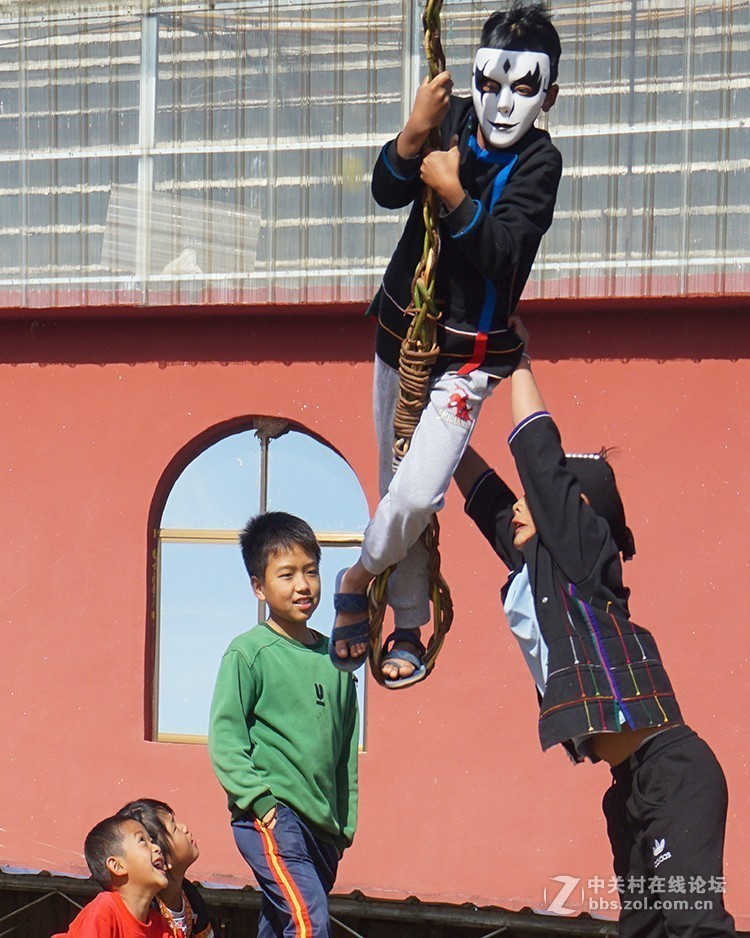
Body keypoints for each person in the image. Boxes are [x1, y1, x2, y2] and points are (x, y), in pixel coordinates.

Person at [454, 319, 737, 937]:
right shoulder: (539, 568)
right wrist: (436, 425)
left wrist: (517, 359)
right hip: (628, 786)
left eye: (538, 499)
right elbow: (484, 497)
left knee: (693, 928)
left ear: (575, 515)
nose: (521, 507)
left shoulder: (583, 555)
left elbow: (538, 456)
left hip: (672, 769)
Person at [331, 1, 563, 688]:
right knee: (393, 484)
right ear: (474, 77)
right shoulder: (452, 117)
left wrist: (456, 195)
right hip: (400, 335)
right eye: (491, 83)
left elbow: (504, 254)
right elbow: (384, 191)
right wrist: (410, 138)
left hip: (466, 361)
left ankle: (356, 576)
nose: (502, 102)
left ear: (548, 95)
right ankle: (407, 621)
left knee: (416, 498)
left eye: (524, 88)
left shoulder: (540, 165)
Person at [208, 511, 359, 938]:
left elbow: (345, 747)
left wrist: (344, 827)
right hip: (276, 816)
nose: (302, 585)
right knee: (309, 922)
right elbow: (225, 739)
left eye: (311, 571)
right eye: (287, 574)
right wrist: (262, 804)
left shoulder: (338, 658)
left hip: (324, 830)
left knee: (280, 926)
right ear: (259, 586)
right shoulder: (248, 652)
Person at [53, 815, 171, 937]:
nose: (157, 848)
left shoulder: (162, 929)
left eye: (152, 841)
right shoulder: (103, 912)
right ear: (117, 866)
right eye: (142, 840)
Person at [117, 799, 214, 938]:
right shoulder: (145, 909)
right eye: (174, 828)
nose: (184, 828)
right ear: (159, 859)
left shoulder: (191, 896)